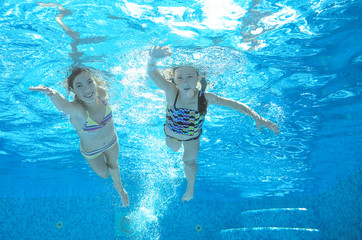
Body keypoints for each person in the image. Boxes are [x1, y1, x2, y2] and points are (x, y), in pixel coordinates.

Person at [147, 46, 280, 202]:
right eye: (180, 78)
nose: (184, 81)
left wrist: (257, 117)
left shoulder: (206, 97)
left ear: (197, 78)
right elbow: (153, 75)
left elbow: (235, 104)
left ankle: (190, 189)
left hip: (192, 138)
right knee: (174, 148)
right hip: (172, 135)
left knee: (189, 161)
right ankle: (177, 148)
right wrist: (152, 60)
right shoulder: (171, 92)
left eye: (189, 76)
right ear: (174, 80)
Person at [29, 3, 129, 207]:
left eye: (89, 82)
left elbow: (104, 85)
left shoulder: (101, 94)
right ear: (74, 91)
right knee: (103, 175)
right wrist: (51, 93)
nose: (87, 89)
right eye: (79, 86)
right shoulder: (77, 110)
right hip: (90, 151)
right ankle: (64, 24)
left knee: (114, 165)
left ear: (95, 82)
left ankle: (121, 191)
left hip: (112, 141)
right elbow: (62, 105)